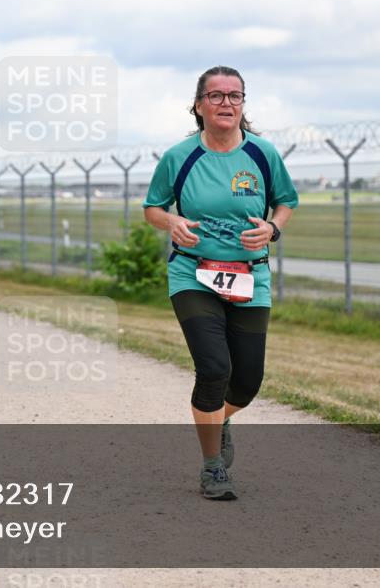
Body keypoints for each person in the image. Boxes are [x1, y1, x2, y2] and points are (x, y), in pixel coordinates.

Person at [142, 66, 298, 500]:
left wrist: (272, 228)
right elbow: (152, 209)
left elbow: (285, 203)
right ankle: (212, 468)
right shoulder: (180, 156)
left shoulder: (264, 155)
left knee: (246, 381)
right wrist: (171, 221)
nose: (226, 103)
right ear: (198, 105)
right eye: (216, 96)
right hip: (193, 273)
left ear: (243, 104)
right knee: (214, 368)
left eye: (235, 95)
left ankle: (218, 418)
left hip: (251, 277)